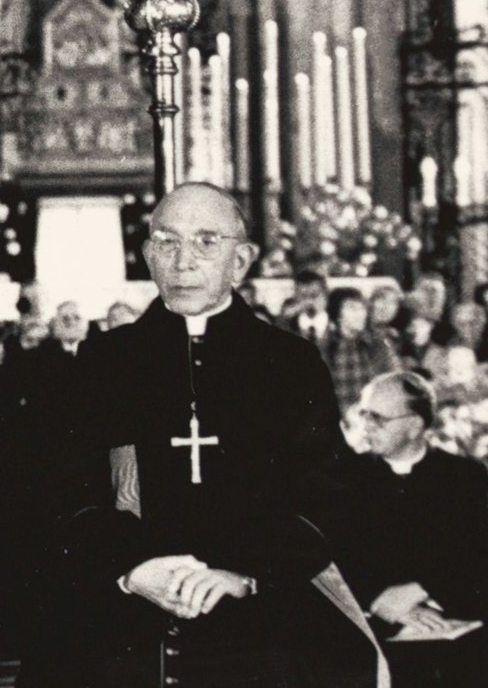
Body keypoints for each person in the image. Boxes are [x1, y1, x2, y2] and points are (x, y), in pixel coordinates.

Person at [24, 183, 383, 687]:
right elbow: (64, 490)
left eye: (206, 242)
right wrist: (131, 570)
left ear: (241, 260)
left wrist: (244, 575)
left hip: (259, 595)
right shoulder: (104, 361)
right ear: (148, 256)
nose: (183, 261)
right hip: (128, 597)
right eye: (167, 242)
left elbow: (325, 495)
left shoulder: (289, 363)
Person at [338, 373, 488, 686]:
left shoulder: (467, 479)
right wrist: (378, 599)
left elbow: (478, 554)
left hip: (456, 622)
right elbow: (334, 553)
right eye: (364, 414)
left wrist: (424, 588)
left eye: (378, 418)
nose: (367, 426)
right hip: (373, 626)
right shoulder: (347, 479)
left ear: (415, 426)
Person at [323, 288, 401, 414]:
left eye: (362, 308)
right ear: (337, 315)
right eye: (352, 308)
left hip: (373, 416)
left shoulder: (378, 345)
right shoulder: (324, 348)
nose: (360, 314)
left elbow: (394, 382)